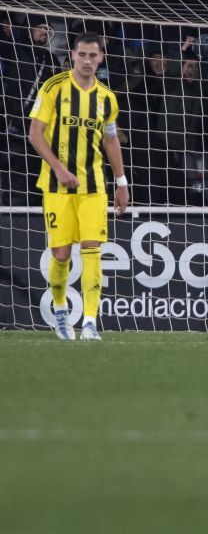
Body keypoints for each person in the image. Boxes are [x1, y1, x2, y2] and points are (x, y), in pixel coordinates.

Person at [27, 31, 129, 341]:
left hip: (94, 186)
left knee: (92, 249)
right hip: (57, 187)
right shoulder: (54, 88)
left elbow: (111, 139)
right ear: (72, 55)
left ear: (101, 58)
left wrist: (122, 182)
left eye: (92, 55)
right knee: (60, 254)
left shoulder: (106, 98)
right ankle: (60, 313)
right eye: (82, 54)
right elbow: (35, 133)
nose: (87, 60)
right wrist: (58, 168)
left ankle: (89, 322)